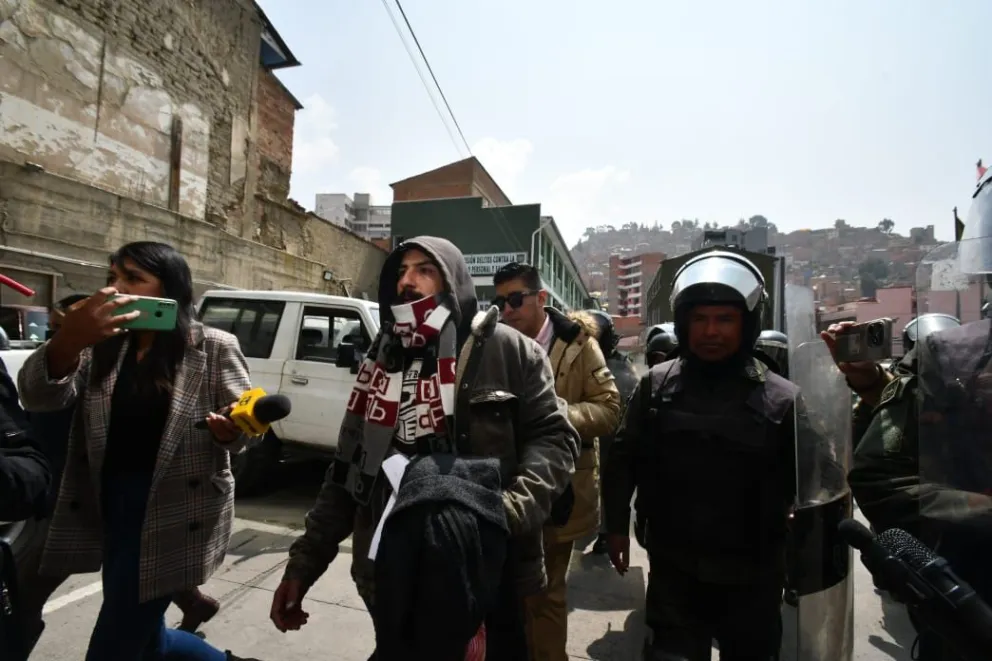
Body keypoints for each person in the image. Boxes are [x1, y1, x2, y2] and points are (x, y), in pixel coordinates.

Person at [271, 237, 579, 660]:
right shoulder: (380, 360)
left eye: (423, 270)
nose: (407, 282)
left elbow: (555, 440)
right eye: (400, 271)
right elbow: (347, 469)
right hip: (392, 569)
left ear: (453, 282)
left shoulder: (509, 351)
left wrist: (506, 511)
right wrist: (303, 565)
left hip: (486, 565)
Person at [17, 241, 257, 661]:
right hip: (109, 504)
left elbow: (247, 428)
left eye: (132, 278)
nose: (116, 288)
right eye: (112, 278)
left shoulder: (214, 345)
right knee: (147, 636)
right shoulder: (102, 344)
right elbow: (40, 398)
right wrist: (67, 342)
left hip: (179, 511)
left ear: (170, 289)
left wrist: (228, 433)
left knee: (117, 638)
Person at [603, 250, 799, 661]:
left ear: (746, 324)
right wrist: (617, 526)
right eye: (700, 319)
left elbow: (816, 481)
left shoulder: (782, 397)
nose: (711, 331)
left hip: (753, 573)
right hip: (675, 566)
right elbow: (623, 457)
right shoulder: (656, 384)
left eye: (724, 319)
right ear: (684, 323)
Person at [492, 262, 621, 661]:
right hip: (505, 491)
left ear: (541, 299)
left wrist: (554, 412)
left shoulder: (578, 345)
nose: (508, 310)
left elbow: (610, 410)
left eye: (516, 299)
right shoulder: (495, 343)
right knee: (504, 596)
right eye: (500, 302)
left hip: (557, 493)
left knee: (545, 596)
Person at [583, 309, 639, 555]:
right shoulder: (581, 357)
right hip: (585, 431)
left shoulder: (620, 367)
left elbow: (626, 398)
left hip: (610, 436)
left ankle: (606, 532)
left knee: (609, 482)